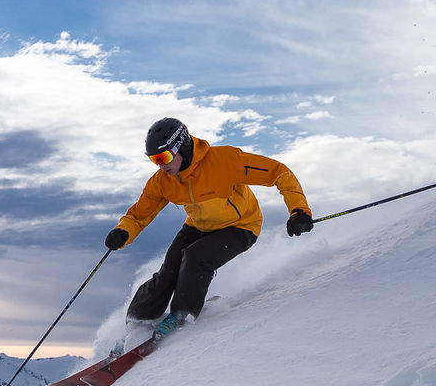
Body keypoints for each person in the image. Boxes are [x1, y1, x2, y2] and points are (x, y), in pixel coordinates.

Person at [104, 117, 314, 342]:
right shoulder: (162, 181)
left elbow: (278, 172)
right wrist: (123, 232)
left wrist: (299, 211)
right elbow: (139, 215)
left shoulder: (225, 161)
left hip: (241, 225)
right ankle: (138, 323)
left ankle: (182, 317)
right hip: (198, 226)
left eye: (163, 157)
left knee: (195, 258)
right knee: (170, 268)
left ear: (181, 146)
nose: (160, 165)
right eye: (154, 160)